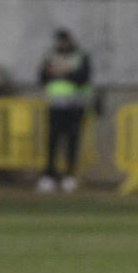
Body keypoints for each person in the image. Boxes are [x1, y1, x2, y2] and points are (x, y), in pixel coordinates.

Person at [36, 28, 91, 193]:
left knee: (72, 141)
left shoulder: (79, 56)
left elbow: (82, 77)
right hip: (55, 106)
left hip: (74, 106)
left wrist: (62, 72)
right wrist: (63, 73)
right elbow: (42, 77)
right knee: (52, 141)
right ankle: (50, 174)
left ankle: (69, 175)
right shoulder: (50, 56)